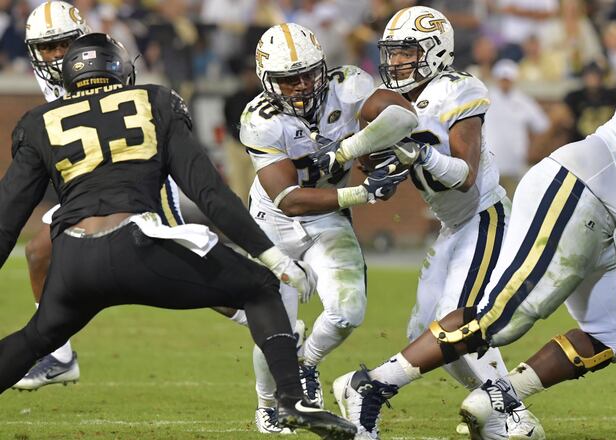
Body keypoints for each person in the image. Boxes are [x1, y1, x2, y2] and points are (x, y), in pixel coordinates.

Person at [333, 41, 616, 439]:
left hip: (606, 216)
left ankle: (499, 398)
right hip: (580, 187)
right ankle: (370, 384)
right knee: (500, 318)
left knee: (614, 333)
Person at [0, 32, 357, 439]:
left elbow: (6, 218)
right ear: (122, 69)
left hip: (74, 260)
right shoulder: (152, 101)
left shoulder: (39, 122)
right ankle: (291, 401)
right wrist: (271, 255)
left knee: (36, 337)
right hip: (134, 244)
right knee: (260, 287)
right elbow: (207, 192)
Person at [315, 6, 541, 439]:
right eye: (392, 53)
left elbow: (464, 177)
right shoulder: (391, 103)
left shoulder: (459, 89)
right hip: (451, 226)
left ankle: (371, 387)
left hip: (483, 215)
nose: (396, 61)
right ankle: (507, 414)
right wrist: (374, 165)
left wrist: (419, 154)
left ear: (436, 51)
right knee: (430, 336)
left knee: (457, 322)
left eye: (406, 52)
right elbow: (379, 167)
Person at [223, 23, 412, 434]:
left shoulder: (348, 85)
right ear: (268, 80)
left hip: (327, 217)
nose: (303, 85)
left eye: (309, 73)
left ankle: (306, 364)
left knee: (348, 312)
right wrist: (363, 193)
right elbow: (288, 198)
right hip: (274, 221)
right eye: (290, 79)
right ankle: (267, 403)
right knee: (275, 326)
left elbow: (403, 115)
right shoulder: (260, 119)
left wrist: (348, 150)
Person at [12, 1, 186, 392]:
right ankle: (58, 355)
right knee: (40, 252)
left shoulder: (106, 61)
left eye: (63, 44)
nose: (57, 54)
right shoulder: (53, 77)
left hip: (138, 174)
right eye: (48, 47)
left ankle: (261, 312)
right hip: (92, 182)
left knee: (183, 256)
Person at [484, 59, 549, 199]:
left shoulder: (523, 101)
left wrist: (532, 150)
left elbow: (542, 125)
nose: (505, 83)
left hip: (515, 164)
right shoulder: (485, 99)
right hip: (490, 166)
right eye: (502, 79)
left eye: (508, 79)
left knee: (513, 206)